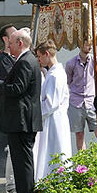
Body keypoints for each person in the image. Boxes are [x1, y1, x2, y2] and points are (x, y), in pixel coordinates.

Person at [0, 28, 42, 193]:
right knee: (23, 161)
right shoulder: (27, 60)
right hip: (23, 119)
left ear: (20, 43)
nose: (9, 46)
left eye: (11, 43)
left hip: (21, 120)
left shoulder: (25, 61)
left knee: (22, 162)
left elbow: (17, 89)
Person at [33, 41, 73, 180]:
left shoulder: (55, 75)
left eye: (39, 56)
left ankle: (54, 181)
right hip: (54, 118)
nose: (38, 60)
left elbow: (50, 104)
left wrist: (35, 113)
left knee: (53, 149)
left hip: (53, 120)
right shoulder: (54, 72)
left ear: (47, 54)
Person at [0, 23, 19, 193]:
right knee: (12, 147)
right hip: (9, 107)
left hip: (17, 107)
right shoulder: (2, 59)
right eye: (13, 34)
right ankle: (11, 184)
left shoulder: (17, 57)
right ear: (5, 39)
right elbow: (11, 79)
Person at [65, 39, 97, 151]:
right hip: (76, 102)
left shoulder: (96, 61)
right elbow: (68, 81)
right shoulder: (71, 63)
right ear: (81, 45)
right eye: (87, 44)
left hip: (91, 101)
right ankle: (83, 163)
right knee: (79, 134)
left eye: (91, 44)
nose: (90, 47)